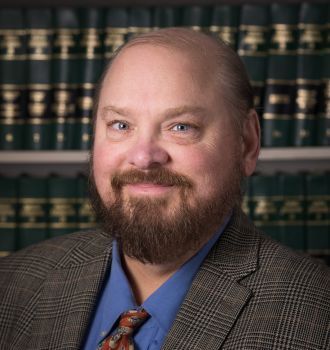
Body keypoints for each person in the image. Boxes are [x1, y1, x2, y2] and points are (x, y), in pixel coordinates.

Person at [0, 28, 329, 350]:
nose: (143, 158)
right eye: (121, 125)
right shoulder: (12, 284)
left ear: (247, 144)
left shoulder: (318, 316)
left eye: (181, 127)